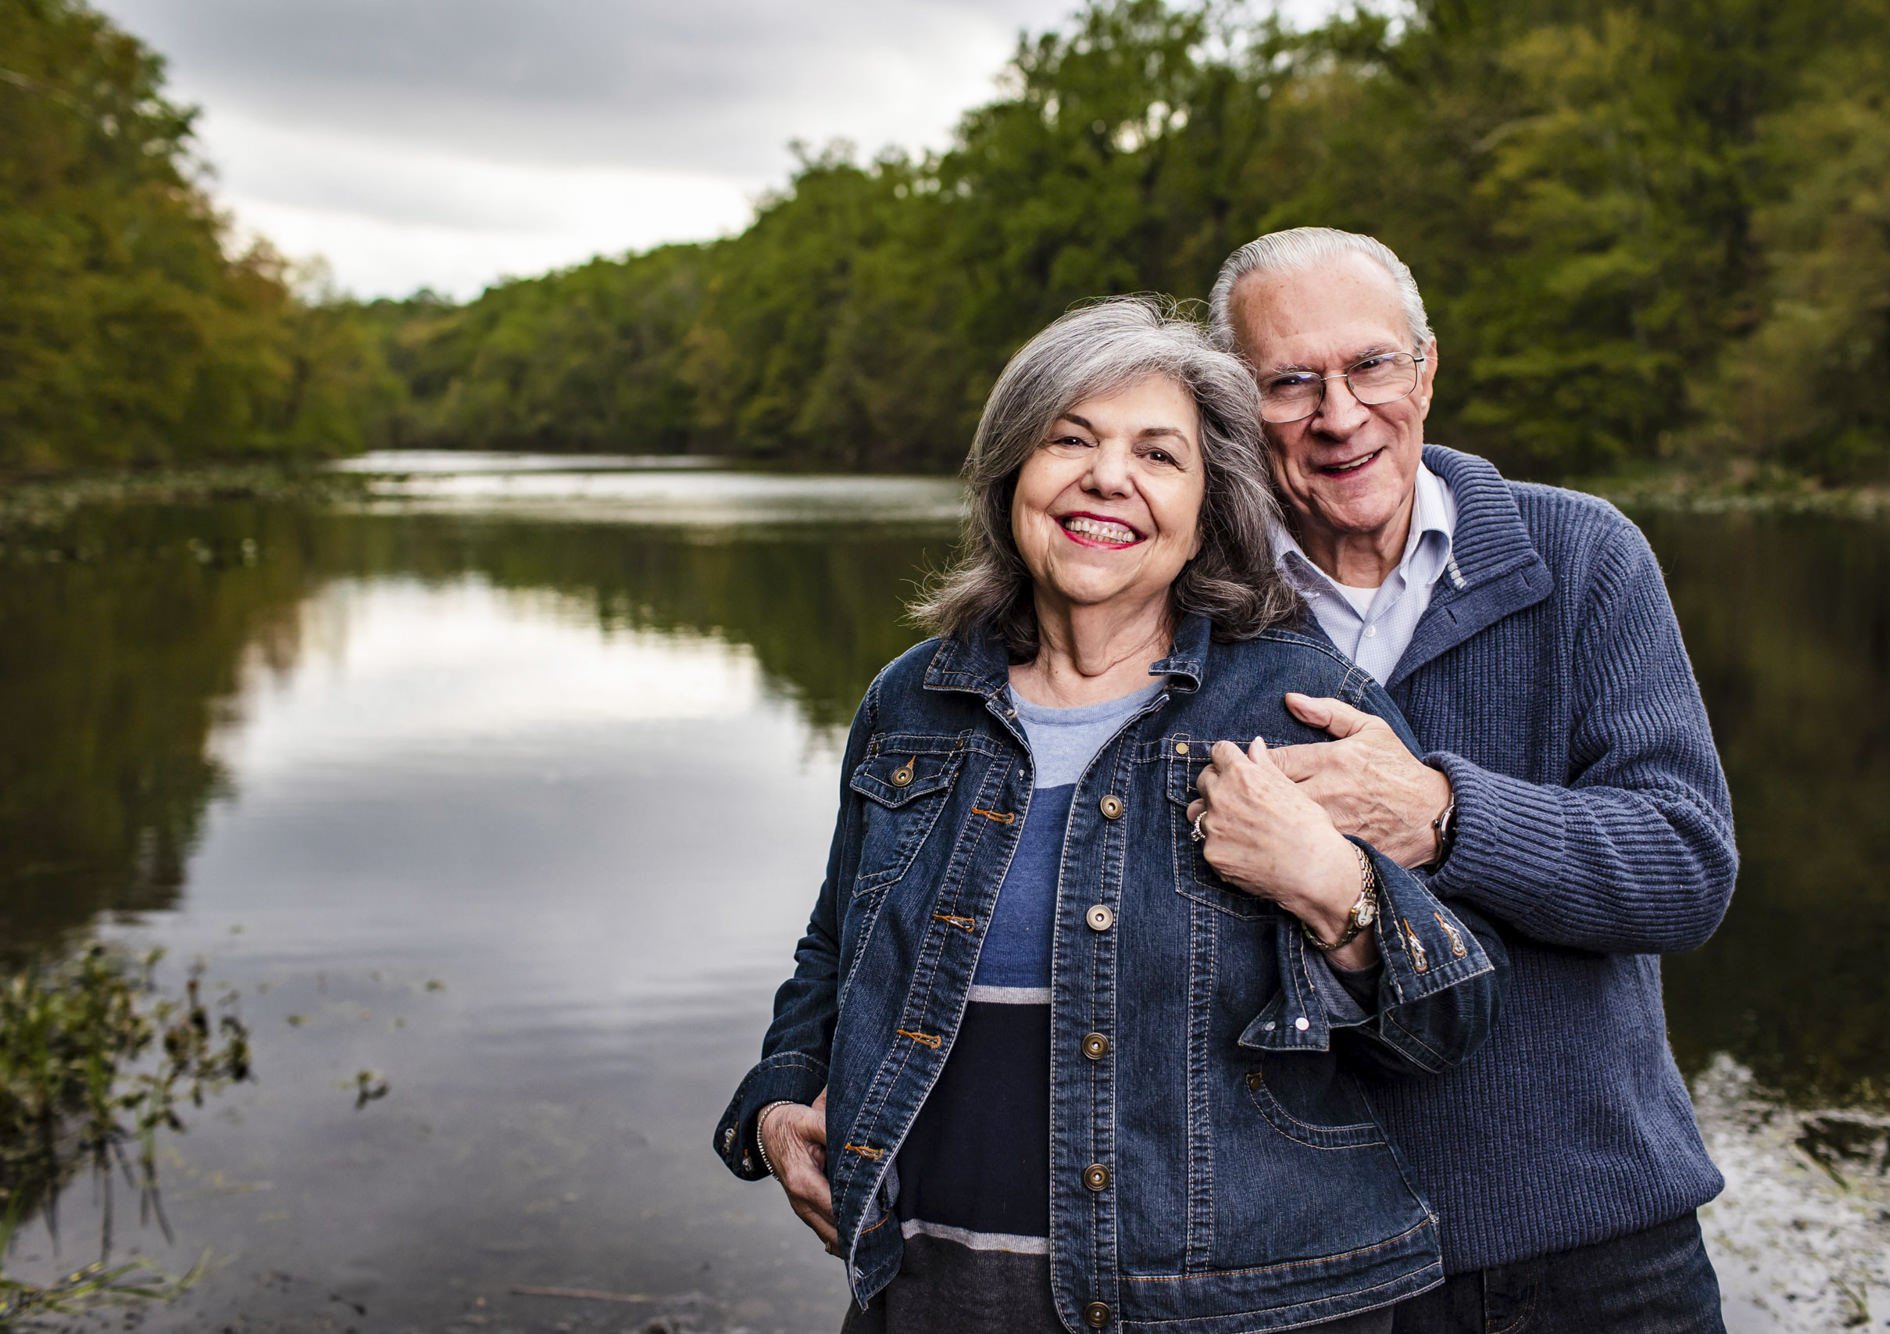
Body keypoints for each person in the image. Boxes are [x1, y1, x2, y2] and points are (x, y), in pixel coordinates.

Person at [714, 297, 1504, 1333]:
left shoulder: (1296, 703)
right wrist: (779, 1098)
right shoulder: (910, 701)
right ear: (1011, 476)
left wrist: (1331, 884)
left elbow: (1447, 1027)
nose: (1106, 477)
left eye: (1157, 454)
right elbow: (833, 949)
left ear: (1205, 509)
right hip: (931, 1296)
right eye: (1068, 439)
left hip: (1244, 1308)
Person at [1199, 227, 1738, 1333]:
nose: (1338, 414)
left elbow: (1684, 868)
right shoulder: (1197, 603)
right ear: (1234, 411)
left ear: (1426, 368)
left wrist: (1441, 816)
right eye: (1288, 383)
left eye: (1370, 366)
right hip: (1310, 1267)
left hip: (1597, 1243)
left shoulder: (1580, 554)